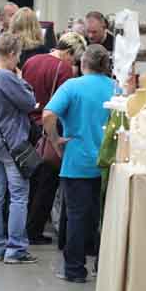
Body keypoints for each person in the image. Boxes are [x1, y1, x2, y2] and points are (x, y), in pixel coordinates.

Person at [43, 44, 115, 283]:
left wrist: (55, 140)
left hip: (77, 160)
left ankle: (74, 268)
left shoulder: (72, 86)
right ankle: (101, 265)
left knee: (75, 217)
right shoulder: (116, 88)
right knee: (102, 218)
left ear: (83, 64)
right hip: (108, 163)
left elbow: (48, 115)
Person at [0, 32, 38, 264]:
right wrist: (21, 79)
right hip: (11, 144)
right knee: (19, 197)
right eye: (18, 56)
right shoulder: (7, 77)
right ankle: (15, 249)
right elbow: (29, 102)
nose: (18, 61)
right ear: (11, 54)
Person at [22, 32, 86, 245]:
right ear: (68, 52)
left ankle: (22, 226)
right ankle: (34, 230)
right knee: (47, 183)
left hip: (27, 126)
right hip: (47, 130)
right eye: (74, 58)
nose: (74, 63)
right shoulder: (64, 69)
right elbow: (62, 104)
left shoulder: (31, 61)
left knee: (28, 181)